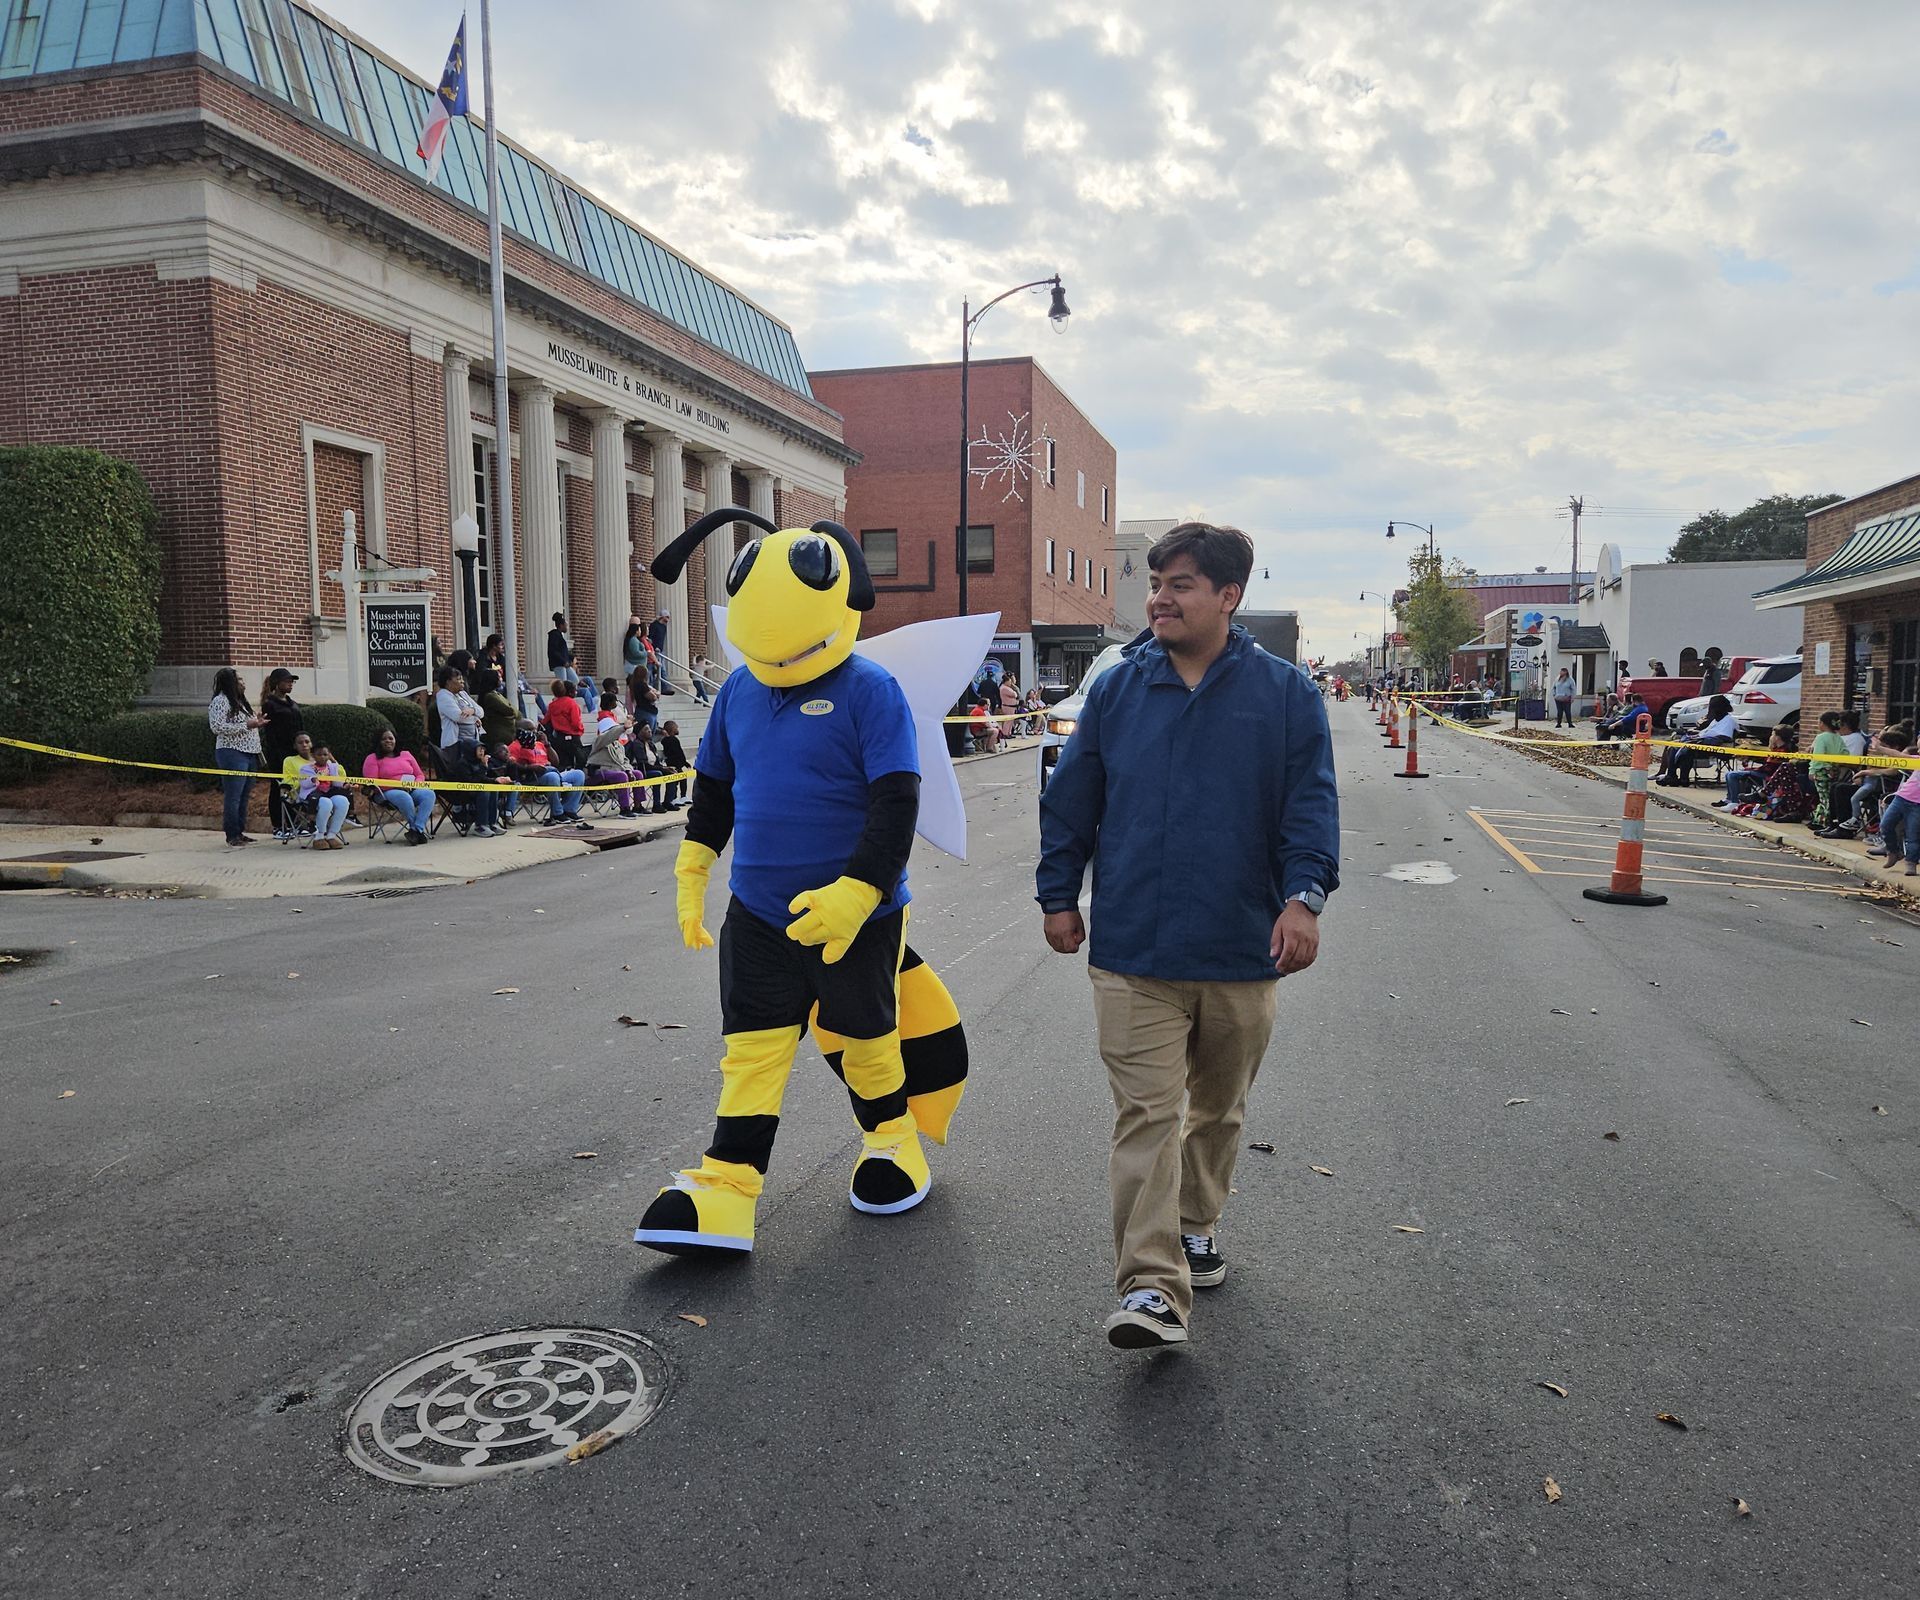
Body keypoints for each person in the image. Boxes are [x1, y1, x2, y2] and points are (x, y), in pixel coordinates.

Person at [1036, 522, 1339, 1349]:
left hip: (1243, 949)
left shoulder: (1284, 695)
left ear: (1228, 596)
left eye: (1180, 585)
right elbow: (1072, 801)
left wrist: (1303, 897)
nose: (1160, 598)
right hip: (1134, 947)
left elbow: (1308, 805)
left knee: (1218, 1109)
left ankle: (1197, 1221)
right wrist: (1057, 893)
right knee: (1145, 1116)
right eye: (1157, 583)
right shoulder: (1118, 689)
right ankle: (1150, 1287)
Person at [208, 668, 264, 846]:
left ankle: (240, 831)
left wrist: (257, 722)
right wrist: (247, 724)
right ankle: (232, 834)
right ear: (230, 682)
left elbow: (247, 725)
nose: (243, 682)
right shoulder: (221, 701)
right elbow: (216, 727)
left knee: (245, 795)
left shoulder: (241, 703)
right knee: (234, 795)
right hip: (232, 753)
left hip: (249, 753)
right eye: (239, 679)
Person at [363, 726, 439, 842]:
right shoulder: (372, 758)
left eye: (390, 738)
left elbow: (419, 774)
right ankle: (416, 830)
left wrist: (415, 784)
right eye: (384, 739)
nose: (388, 741)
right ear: (378, 741)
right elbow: (372, 782)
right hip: (385, 792)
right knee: (404, 796)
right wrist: (397, 785)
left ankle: (416, 830)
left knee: (429, 794)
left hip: (411, 788)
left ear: (395, 740)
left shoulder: (406, 755)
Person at [507, 721, 588, 824]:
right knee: (553, 776)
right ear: (522, 731)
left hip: (550, 771)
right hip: (532, 777)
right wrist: (529, 767)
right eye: (532, 729)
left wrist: (547, 744)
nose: (535, 732)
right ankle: (557, 813)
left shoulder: (539, 744)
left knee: (578, 774)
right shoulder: (515, 746)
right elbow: (511, 765)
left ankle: (569, 810)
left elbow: (556, 762)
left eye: (535, 729)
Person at [257, 668, 305, 838]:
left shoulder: (292, 703)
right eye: (286, 681)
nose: (290, 684)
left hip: (294, 754)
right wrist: (276, 756)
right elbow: (270, 735)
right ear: (277, 684)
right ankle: (278, 825)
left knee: (295, 787)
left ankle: (295, 823)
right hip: (278, 754)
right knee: (278, 788)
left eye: (292, 681)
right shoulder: (270, 704)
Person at [1654, 694, 1735, 785]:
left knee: (1688, 750)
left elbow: (1723, 736)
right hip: (1702, 741)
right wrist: (1697, 733)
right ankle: (1671, 776)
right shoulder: (1716, 720)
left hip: (1715, 746)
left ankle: (1684, 779)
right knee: (1673, 747)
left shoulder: (1728, 720)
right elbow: (1706, 731)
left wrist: (1700, 736)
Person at [1716, 726, 1793, 811]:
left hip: (1769, 777)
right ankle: (1729, 799)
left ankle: (1734, 802)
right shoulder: (1775, 749)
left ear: (1778, 737)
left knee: (1732, 775)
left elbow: (1769, 769)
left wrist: (1751, 769)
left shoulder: (1783, 751)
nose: (1771, 737)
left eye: (1772, 735)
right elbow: (1766, 762)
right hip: (1764, 773)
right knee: (1730, 773)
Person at [1869, 757, 1920, 876]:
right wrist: (1880, 748)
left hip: (1917, 805)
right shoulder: (1916, 760)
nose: (1918, 751)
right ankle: (1893, 852)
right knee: (1885, 825)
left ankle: (1911, 863)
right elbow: (1899, 756)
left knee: (1913, 835)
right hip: (1901, 798)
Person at [298, 743, 350, 849]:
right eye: (319, 755)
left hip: (329, 792)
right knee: (326, 803)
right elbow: (304, 784)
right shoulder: (306, 768)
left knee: (343, 801)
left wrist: (345, 785)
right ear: (313, 755)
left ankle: (332, 835)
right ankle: (319, 836)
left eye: (325, 755)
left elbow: (336, 783)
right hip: (313, 795)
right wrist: (312, 780)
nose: (323, 757)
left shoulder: (332, 766)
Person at [1808, 711, 1848, 830]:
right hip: (1834, 770)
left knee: (1824, 797)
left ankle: (1827, 823)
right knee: (1829, 796)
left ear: (1822, 723)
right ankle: (1818, 820)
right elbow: (1845, 753)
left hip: (1821, 771)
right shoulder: (1839, 738)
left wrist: (1812, 770)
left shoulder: (1821, 738)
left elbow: (1818, 756)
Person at [435, 668, 483, 755]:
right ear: (448, 682)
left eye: (462, 678)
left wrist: (472, 710)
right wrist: (475, 718)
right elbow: (458, 717)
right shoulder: (443, 696)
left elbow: (481, 711)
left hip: (473, 741)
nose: (462, 681)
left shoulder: (463, 694)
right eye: (458, 679)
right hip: (457, 744)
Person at [473, 666, 518, 750]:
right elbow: (510, 710)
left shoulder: (497, 694)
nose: (501, 679)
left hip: (506, 730)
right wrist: (512, 712)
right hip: (499, 733)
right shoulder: (490, 696)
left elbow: (515, 711)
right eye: (499, 677)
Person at [659, 720, 689, 809]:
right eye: (676, 727)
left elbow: (680, 752)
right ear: (672, 729)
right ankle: (674, 797)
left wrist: (684, 762)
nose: (677, 729)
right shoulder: (669, 740)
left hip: (679, 763)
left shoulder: (673, 739)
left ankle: (683, 796)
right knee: (675, 781)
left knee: (683, 779)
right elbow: (675, 752)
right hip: (673, 763)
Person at [547, 612, 578, 688]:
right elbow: (553, 651)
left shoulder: (559, 635)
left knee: (574, 680)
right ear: (561, 625)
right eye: (566, 625)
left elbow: (563, 652)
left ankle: (568, 696)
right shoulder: (554, 635)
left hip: (564, 664)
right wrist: (563, 661)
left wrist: (571, 657)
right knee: (563, 684)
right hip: (559, 664)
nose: (567, 627)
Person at [647, 610, 670, 690]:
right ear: (662, 616)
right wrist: (653, 647)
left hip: (660, 650)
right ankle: (659, 687)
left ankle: (664, 687)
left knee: (661, 669)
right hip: (654, 650)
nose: (668, 619)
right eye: (667, 617)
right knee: (655, 669)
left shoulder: (664, 627)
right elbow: (650, 637)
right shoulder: (654, 625)